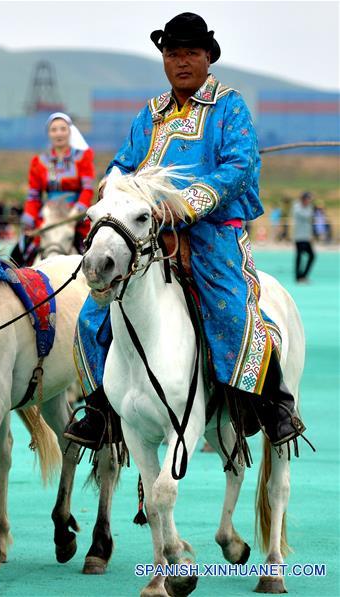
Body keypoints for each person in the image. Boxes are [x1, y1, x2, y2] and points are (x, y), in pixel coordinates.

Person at [66, 12, 306, 450]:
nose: (181, 61)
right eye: (173, 53)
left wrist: (181, 205)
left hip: (212, 233)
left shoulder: (229, 106)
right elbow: (122, 163)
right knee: (94, 311)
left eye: (191, 53)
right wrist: (116, 191)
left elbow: (238, 167)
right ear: (163, 59)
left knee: (233, 311)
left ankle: (272, 402)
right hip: (148, 231)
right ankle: (100, 407)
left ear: (208, 57)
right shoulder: (150, 114)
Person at [14, 112, 95, 266]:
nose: (59, 133)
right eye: (54, 129)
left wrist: (78, 210)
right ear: (49, 134)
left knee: (91, 247)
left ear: (70, 131)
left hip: (75, 214)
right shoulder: (39, 162)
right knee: (24, 247)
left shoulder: (83, 157)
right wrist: (29, 218)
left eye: (63, 129)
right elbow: (33, 196)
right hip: (48, 213)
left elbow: (87, 188)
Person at [293, 192, 316, 283]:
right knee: (299, 256)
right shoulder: (297, 207)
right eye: (308, 199)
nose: (309, 201)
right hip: (299, 236)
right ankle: (298, 276)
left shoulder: (308, 208)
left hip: (306, 236)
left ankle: (303, 275)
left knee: (311, 255)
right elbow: (306, 216)